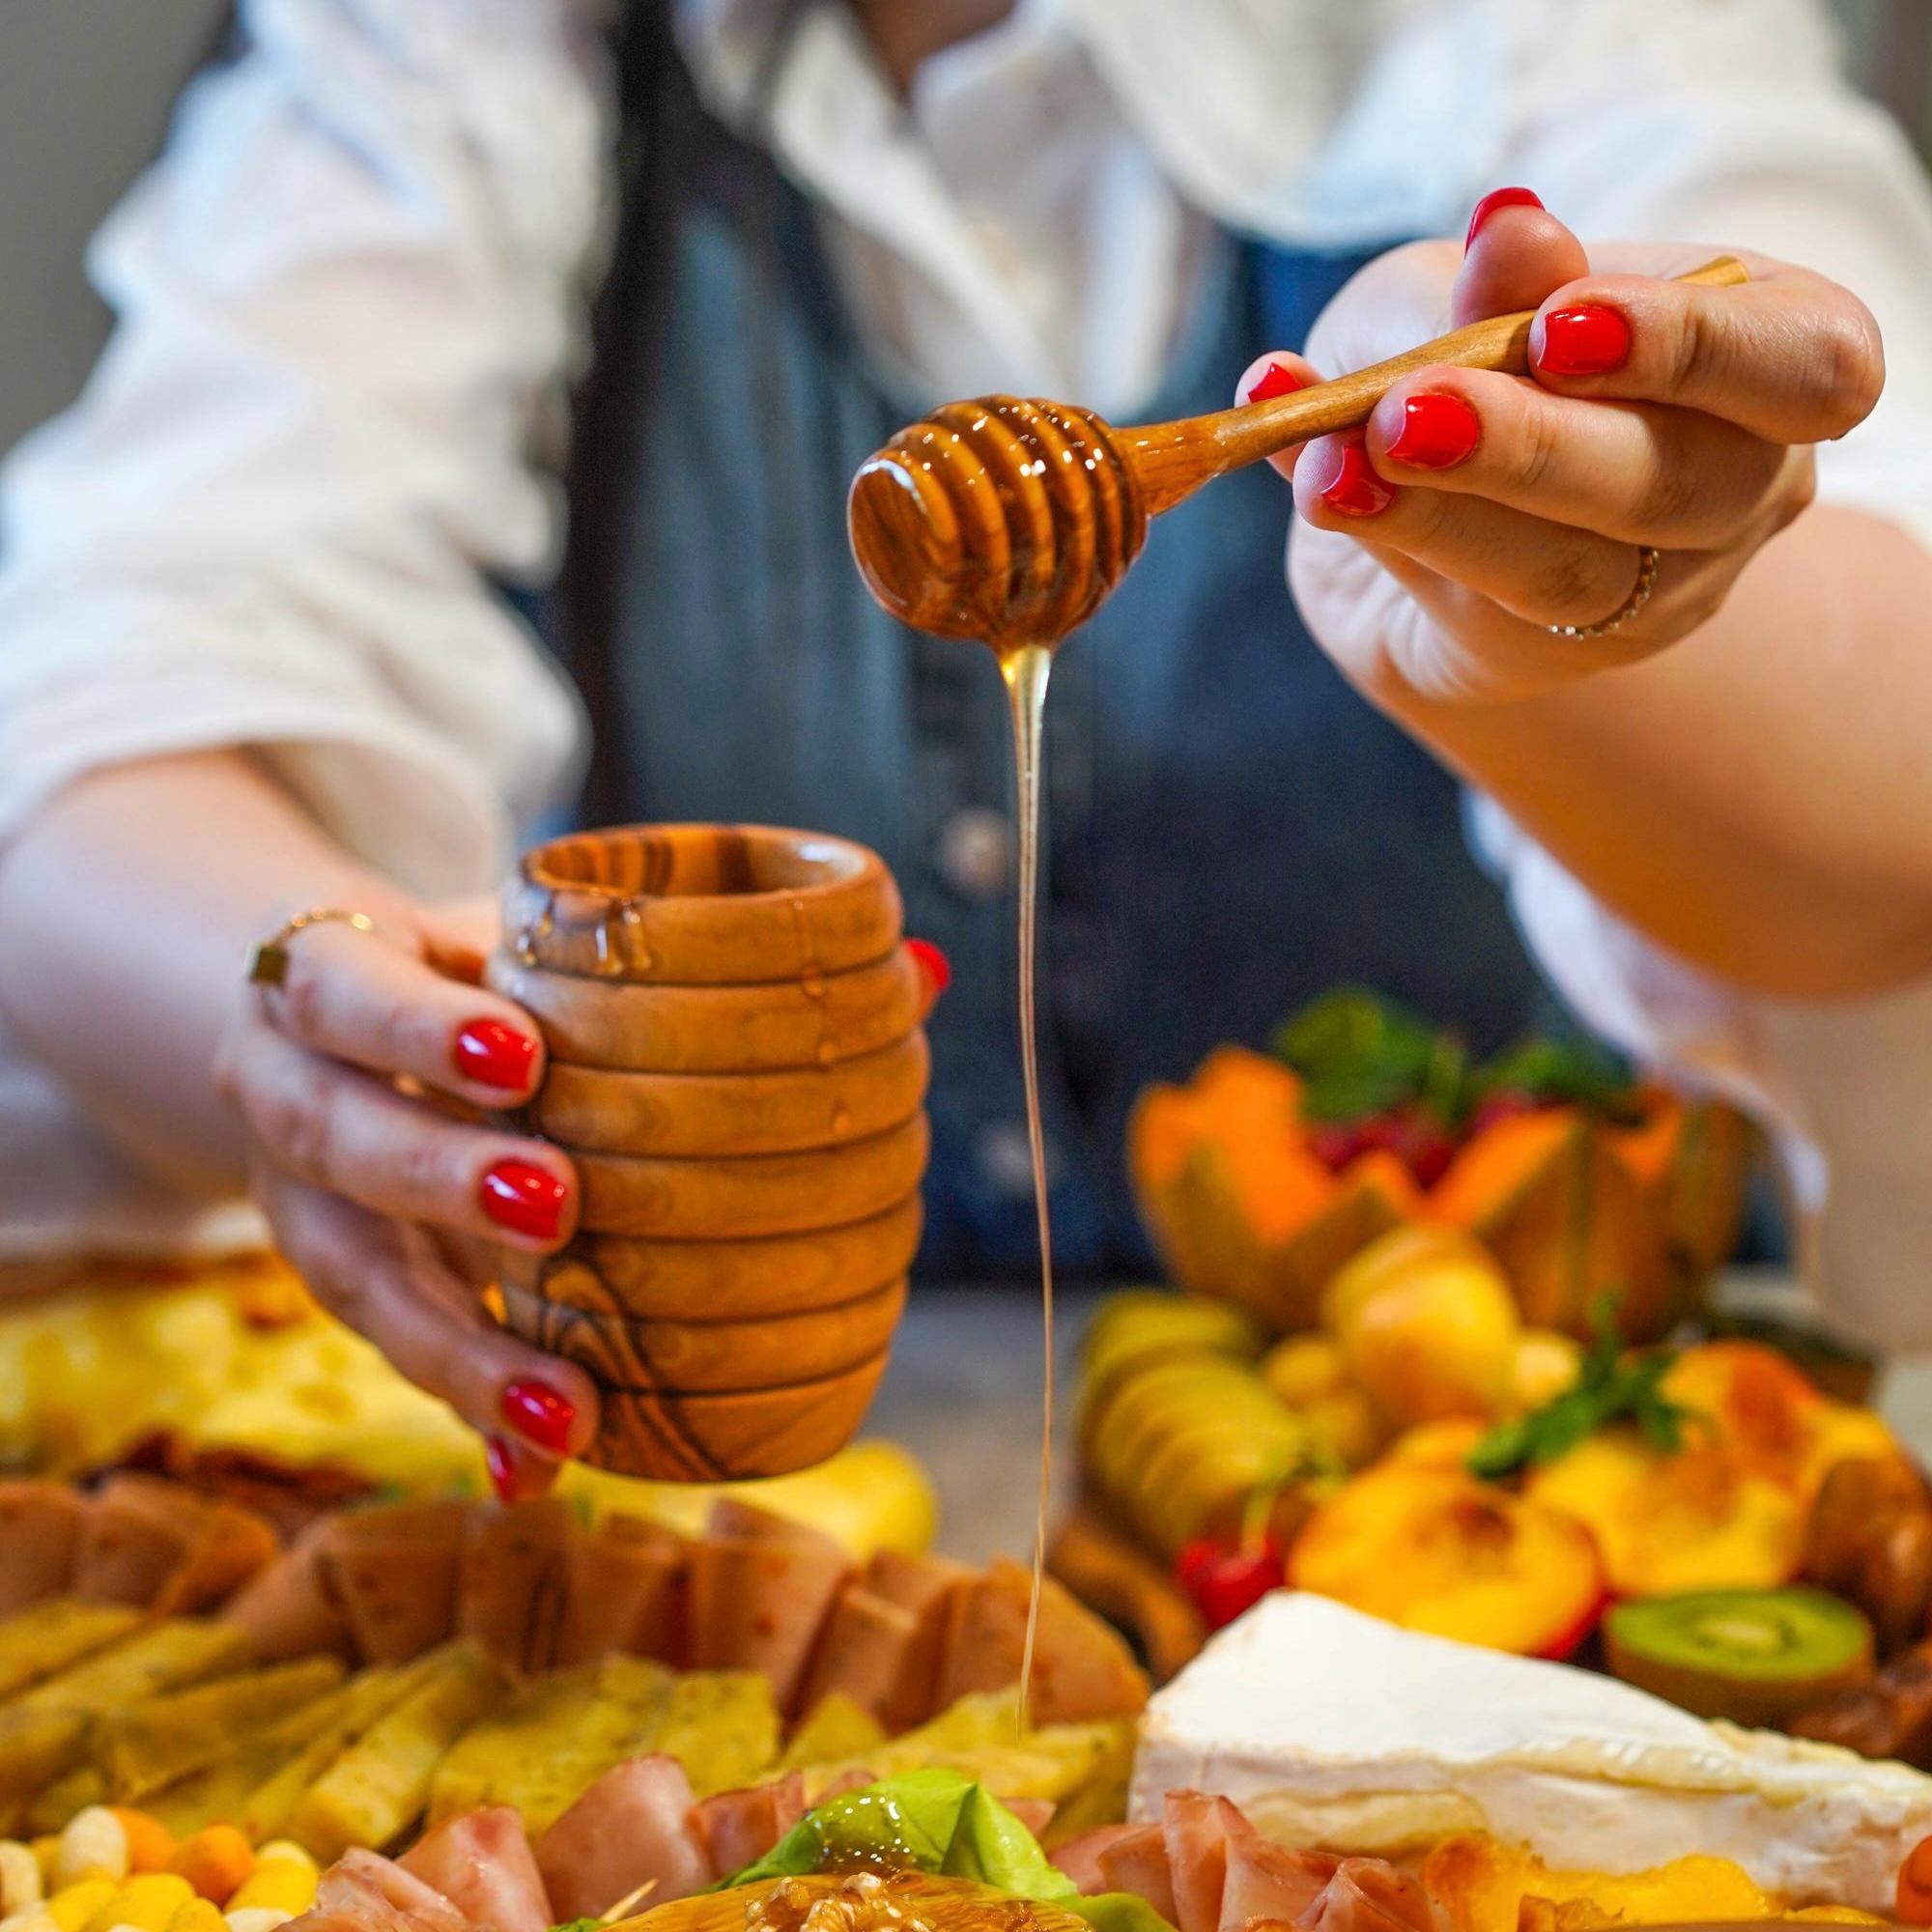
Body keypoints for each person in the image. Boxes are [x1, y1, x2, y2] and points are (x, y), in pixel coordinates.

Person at [1, 0, 1930, 1496]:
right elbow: (101, 689)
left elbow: (1879, 814)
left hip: (1544, 1496)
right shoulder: (482, 54)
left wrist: (1541, 608)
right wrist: (317, 1020)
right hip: (754, 1490)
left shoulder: (1560, 41)